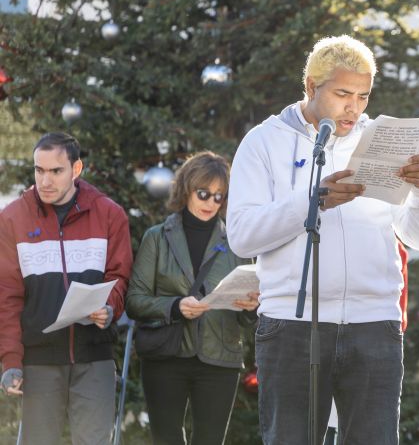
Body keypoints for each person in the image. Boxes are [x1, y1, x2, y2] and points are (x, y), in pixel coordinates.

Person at [227, 35, 419, 444]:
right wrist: (312, 203)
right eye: (343, 93)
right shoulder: (264, 141)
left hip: (375, 323)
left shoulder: (380, 140)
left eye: (363, 95)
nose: (354, 107)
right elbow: (242, 237)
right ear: (311, 86)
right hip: (293, 323)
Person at [0, 132, 133, 445]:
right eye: (39, 170)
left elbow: (120, 276)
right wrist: (11, 362)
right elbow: (7, 298)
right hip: (39, 361)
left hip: (94, 355)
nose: (45, 180)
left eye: (55, 171)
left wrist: (110, 308)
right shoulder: (12, 219)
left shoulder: (109, 214)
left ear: (77, 169)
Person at [126, 151, 259, 445]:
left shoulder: (236, 243)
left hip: (219, 357)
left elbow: (248, 316)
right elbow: (134, 300)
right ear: (186, 188)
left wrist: (251, 308)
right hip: (166, 356)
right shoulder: (157, 238)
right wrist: (174, 306)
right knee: (166, 439)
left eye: (219, 197)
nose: (211, 203)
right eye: (204, 193)